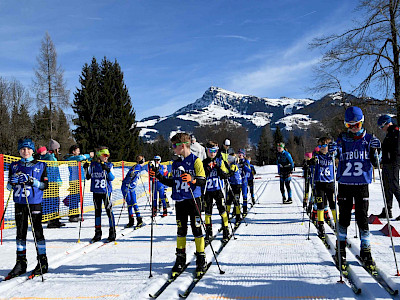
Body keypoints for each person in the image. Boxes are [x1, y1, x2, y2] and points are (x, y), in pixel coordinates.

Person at [150, 132, 207, 278]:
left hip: (193, 199)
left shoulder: (196, 161)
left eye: (175, 146)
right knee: (181, 229)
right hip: (180, 201)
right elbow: (172, 182)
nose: (173, 149)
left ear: (183, 146)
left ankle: (201, 258)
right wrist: (158, 176)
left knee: (196, 229)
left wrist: (192, 179)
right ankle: (180, 259)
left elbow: (202, 181)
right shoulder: (175, 163)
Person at [331, 106, 380, 271]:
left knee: (362, 218)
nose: (353, 129)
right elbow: (336, 152)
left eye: (356, 125)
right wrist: (334, 151)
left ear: (362, 122)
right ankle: (341, 250)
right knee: (344, 218)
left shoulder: (369, 139)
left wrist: (376, 153)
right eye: (349, 125)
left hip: (361, 185)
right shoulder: (342, 139)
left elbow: (375, 162)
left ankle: (366, 251)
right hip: (344, 184)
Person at [6, 138, 49, 279]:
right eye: (23, 149)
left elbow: (45, 186)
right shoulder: (14, 166)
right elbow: (8, 186)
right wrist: (12, 182)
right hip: (19, 203)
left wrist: (32, 181)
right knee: (20, 233)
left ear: (32, 150)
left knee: (37, 232)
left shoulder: (41, 165)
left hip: (34, 202)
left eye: (28, 149)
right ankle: (21, 262)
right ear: (19, 151)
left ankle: (42, 261)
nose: (25, 151)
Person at [84, 146, 116, 242]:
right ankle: (98, 233)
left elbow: (112, 178)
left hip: (106, 192)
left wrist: (107, 170)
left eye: (108, 155)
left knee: (109, 211)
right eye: (104, 155)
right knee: (97, 212)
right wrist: (85, 169)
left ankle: (112, 232)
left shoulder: (109, 165)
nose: (106, 157)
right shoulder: (93, 165)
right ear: (99, 155)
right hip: (96, 191)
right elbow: (88, 177)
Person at [202, 141, 230, 243]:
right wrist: (207, 169)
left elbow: (226, 174)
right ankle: (208, 233)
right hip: (208, 190)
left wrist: (219, 169)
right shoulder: (204, 162)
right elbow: (201, 176)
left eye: (214, 151)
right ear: (206, 151)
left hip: (218, 189)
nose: (212, 153)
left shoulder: (219, 161)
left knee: (222, 210)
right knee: (208, 212)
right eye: (210, 151)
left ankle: (226, 231)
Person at [310, 137, 336, 242]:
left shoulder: (332, 156)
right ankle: (321, 225)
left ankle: (337, 223)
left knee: (333, 204)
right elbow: (310, 161)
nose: (321, 148)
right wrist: (312, 161)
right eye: (319, 146)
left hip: (330, 183)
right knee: (320, 204)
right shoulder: (317, 156)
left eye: (324, 145)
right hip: (319, 183)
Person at [376, 114, 400, 220]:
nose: (381, 129)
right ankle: (387, 210)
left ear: (386, 123)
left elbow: (396, 149)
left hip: (393, 163)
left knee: (394, 186)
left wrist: (391, 159)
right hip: (386, 163)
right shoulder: (389, 133)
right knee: (386, 186)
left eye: (382, 127)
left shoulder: (395, 132)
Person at [38, 139, 64, 228]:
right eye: (58, 149)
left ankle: (52, 219)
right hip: (52, 182)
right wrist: (58, 180)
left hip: (50, 181)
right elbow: (54, 171)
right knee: (53, 200)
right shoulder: (50, 157)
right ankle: (52, 220)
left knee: (50, 200)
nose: (59, 150)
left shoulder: (48, 156)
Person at [64, 145, 94, 222]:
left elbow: (84, 159)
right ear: (73, 152)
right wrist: (88, 155)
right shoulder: (71, 158)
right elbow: (80, 158)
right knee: (74, 197)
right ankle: (73, 215)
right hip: (74, 180)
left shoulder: (77, 159)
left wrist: (90, 158)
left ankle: (75, 214)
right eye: (77, 150)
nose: (79, 152)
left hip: (79, 180)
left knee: (77, 197)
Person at [120, 155, 145, 228]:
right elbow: (131, 173)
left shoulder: (138, 167)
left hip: (132, 187)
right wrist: (130, 177)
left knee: (134, 202)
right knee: (130, 203)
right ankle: (132, 220)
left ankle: (139, 219)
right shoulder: (137, 167)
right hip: (126, 187)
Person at [226, 153, 243, 225]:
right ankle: (228, 216)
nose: (228, 160)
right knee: (229, 201)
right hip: (232, 184)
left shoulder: (233, 165)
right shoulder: (233, 165)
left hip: (236, 185)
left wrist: (225, 175)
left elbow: (231, 173)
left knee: (235, 201)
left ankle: (237, 217)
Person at [237, 149, 252, 215]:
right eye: (239, 153)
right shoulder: (236, 161)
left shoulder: (246, 161)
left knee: (244, 195)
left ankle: (245, 209)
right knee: (237, 196)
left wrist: (244, 166)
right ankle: (236, 210)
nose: (240, 155)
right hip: (237, 181)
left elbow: (249, 170)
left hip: (244, 180)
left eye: (241, 154)